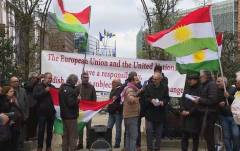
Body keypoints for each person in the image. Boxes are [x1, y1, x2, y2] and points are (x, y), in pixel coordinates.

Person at [191, 70, 219, 151]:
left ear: (206, 76)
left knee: (209, 137)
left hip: (209, 114)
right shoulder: (205, 85)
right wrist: (198, 99)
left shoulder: (212, 84)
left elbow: (213, 100)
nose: (200, 78)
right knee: (207, 137)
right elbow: (205, 98)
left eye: (201, 76)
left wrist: (199, 100)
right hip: (204, 114)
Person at [144, 72, 169, 151]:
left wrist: (163, 102)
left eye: (155, 79)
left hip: (160, 113)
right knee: (149, 132)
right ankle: (150, 148)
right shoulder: (148, 87)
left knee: (159, 133)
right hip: (150, 113)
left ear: (160, 79)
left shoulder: (165, 87)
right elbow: (145, 98)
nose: (153, 80)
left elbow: (167, 98)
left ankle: (157, 148)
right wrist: (151, 100)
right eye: (153, 79)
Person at [33, 72, 56, 151]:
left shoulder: (52, 87)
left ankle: (48, 146)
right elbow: (35, 96)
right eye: (49, 78)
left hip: (51, 113)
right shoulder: (38, 86)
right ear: (44, 78)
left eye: (51, 78)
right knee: (41, 131)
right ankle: (39, 147)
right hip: (41, 113)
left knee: (50, 131)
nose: (50, 79)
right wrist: (45, 91)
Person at [217, 76, 239, 151]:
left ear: (224, 82)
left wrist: (228, 96)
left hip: (234, 117)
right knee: (226, 137)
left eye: (218, 81)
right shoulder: (217, 91)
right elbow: (214, 101)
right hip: (223, 117)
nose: (217, 83)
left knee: (236, 135)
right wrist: (219, 104)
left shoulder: (233, 89)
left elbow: (237, 101)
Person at [180, 74, 201, 151]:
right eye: (189, 79)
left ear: (196, 80)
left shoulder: (199, 90)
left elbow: (199, 104)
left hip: (194, 117)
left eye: (191, 79)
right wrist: (182, 110)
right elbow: (182, 100)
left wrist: (190, 112)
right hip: (185, 117)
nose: (190, 81)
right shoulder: (187, 89)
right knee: (184, 136)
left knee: (195, 137)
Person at [59, 74, 80, 151]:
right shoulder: (71, 90)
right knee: (73, 136)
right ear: (73, 81)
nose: (76, 83)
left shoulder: (61, 88)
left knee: (65, 135)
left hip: (64, 116)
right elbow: (71, 103)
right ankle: (73, 149)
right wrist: (78, 100)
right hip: (71, 117)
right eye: (76, 82)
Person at [76, 72, 96, 149]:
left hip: (89, 112)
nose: (86, 79)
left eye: (87, 77)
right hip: (80, 111)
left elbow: (94, 100)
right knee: (80, 128)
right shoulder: (78, 87)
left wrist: (92, 110)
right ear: (81, 78)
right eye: (84, 77)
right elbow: (73, 98)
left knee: (89, 128)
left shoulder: (92, 87)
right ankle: (80, 143)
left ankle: (88, 143)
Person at [121, 71, 140, 151]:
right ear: (132, 80)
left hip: (127, 116)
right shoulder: (130, 89)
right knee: (133, 137)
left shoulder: (128, 87)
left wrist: (139, 92)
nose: (138, 81)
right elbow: (131, 99)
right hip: (132, 116)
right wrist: (138, 98)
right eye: (136, 80)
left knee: (128, 136)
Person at [2, 86, 24, 151]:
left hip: (17, 125)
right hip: (10, 126)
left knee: (16, 143)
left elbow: (19, 110)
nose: (13, 93)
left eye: (13, 91)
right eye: (11, 91)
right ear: (6, 93)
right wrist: (10, 103)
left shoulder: (13, 99)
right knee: (11, 144)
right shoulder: (4, 101)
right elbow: (5, 111)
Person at [9, 76, 29, 151]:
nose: (16, 83)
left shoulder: (23, 90)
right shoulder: (8, 91)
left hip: (23, 117)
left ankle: (21, 148)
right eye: (14, 81)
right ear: (10, 83)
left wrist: (26, 115)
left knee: (22, 136)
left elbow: (27, 103)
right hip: (13, 119)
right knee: (14, 138)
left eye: (17, 81)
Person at [24, 72, 41, 140]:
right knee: (29, 122)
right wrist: (37, 78)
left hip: (37, 106)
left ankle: (33, 135)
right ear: (30, 78)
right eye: (34, 78)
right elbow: (30, 87)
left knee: (35, 122)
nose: (36, 79)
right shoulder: (26, 83)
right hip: (30, 106)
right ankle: (27, 136)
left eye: (36, 78)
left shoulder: (38, 85)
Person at [107, 78, 123, 148]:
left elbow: (120, 101)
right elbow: (111, 100)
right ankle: (108, 141)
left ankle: (117, 143)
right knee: (109, 127)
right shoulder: (112, 89)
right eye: (112, 82)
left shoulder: (121, 90)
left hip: (117, 112)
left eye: (113, 82)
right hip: (111, 112)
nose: (112, 83)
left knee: (118, 129)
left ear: (118, 83)